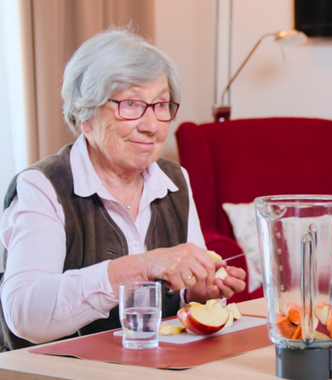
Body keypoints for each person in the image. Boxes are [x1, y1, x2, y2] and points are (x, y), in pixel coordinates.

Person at [0, 27, 246, 350]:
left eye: (160, 105)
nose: (151, 125)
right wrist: (142, 265)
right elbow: (24, 314)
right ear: (84, 115)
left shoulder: (175, 181)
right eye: (130, 104)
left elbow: (184, 296)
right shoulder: (43, 186)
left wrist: (198, 290)